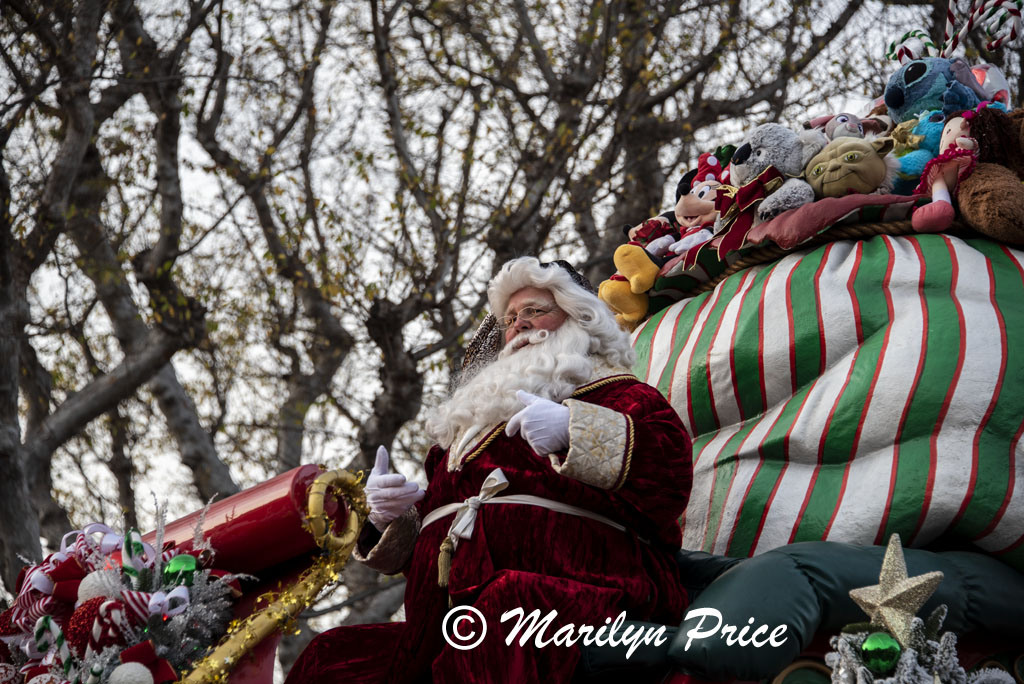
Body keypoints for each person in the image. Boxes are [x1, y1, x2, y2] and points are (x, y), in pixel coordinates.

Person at [286, 257, 692, 683]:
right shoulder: (467, 429)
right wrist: (392, 519)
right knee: (330, 656)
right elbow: (446, 543)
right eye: (511, 317)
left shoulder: (620, 394)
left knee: (506, 609)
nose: (518, 325)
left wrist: (574, 431)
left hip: (585, 595)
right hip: (443, 623)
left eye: (535, 310)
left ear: (579, 317)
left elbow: (671, 476)